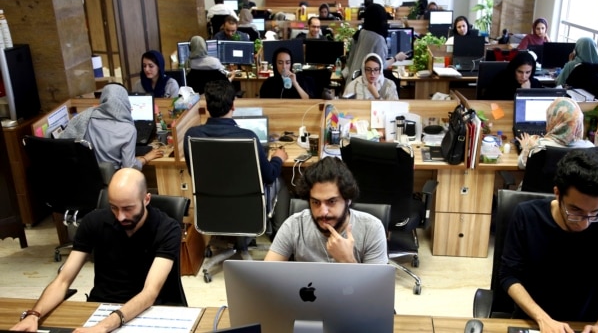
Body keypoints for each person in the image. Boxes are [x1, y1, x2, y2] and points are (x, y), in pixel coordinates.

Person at [11, 168, 184, 332]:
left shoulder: (167, 229)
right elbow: (63, 280)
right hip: (101, 306)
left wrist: (104, 326)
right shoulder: (93, 222)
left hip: (151, 310)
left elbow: (150, 292)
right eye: (114, 207)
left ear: (146, 199)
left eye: (128, 209)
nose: (120, 216)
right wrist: (34, 315)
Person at [500, 149, 598, 332]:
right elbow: (509, 276)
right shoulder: (527, 216)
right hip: (534, 320)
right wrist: (542, 318)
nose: (585, 223)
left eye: (595, 212)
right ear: (557, 193)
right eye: (576, 211)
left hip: (587, 324)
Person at [184, 80, 289, 237]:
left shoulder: (191, 136)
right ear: (233, 106)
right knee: (280, 181)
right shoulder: (248, 137)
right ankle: (278, 236)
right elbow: (269, 176)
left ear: (206, 107)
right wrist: (278, 158)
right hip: (247, 211)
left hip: (212, 210)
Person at [265, 156, 388, 264]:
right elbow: (265, 278)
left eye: (332, 201)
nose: (323, 212)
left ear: (348, 199)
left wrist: (347, 260)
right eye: (316, 202)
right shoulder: (294, 226)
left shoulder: (371, 229)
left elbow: (375, 289)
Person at [61, 84, 163, 170]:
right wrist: (145, 158)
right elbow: (129, 167)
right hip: (113, 181)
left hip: (86, 179)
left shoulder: (86, 117)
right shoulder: (128, 129)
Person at [516, 97, 594, 169]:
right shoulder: (590, 149)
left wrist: (526, 147)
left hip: (543, 184)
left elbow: (521, 164)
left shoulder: (538, 147)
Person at [344, 3, 407, 86]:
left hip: (351, 84)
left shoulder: (360, 34)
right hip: (365, 86)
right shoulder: (378, 39)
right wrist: (396, 58)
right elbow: (381, 66)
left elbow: (349, 61)